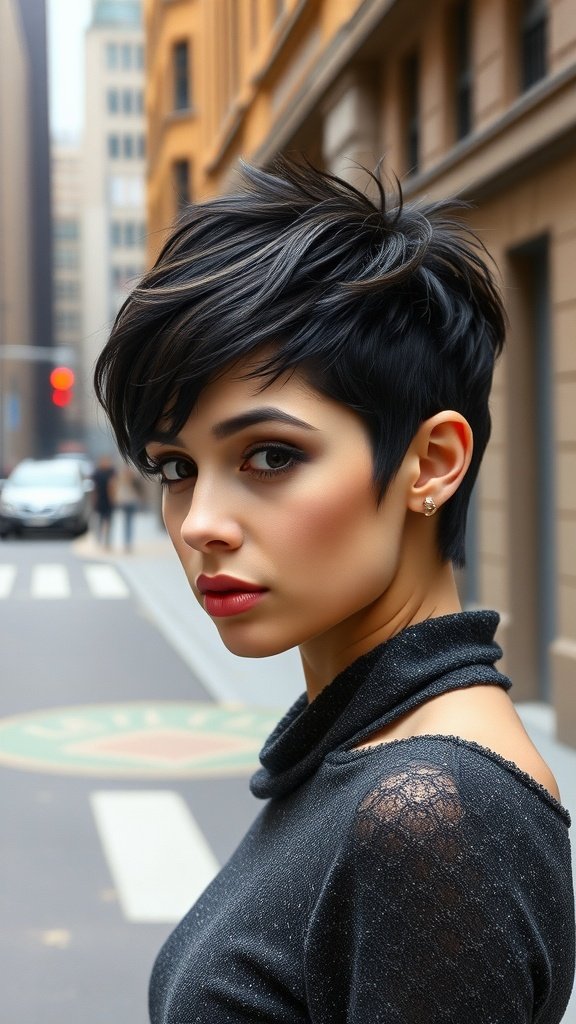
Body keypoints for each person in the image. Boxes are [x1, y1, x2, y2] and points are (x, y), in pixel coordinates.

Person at [94, 160, 575, 1023]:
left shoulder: (431, 813)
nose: (201, 521)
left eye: (270, 456)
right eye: (176, 467)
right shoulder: (361, 752)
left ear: (432, 464)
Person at [115, 463, 143, 552]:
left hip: (131, 502)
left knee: (129, 522)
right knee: (127, 522)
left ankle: (128, 542)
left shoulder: (133, 480)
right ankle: (127, 542)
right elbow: (118, 490)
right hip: (125, 502)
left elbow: (139, 490)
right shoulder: (121, 479)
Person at [90, 454, 116, 548]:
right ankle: (99, 539)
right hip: (100, 501)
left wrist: (114, 499)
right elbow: (94, 489)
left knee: (109, 522)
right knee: (100, 521)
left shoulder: (112, 471)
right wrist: (94, 500)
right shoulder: (97, 473)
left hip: (110, 501)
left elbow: (115, 486)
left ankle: (108, 541)